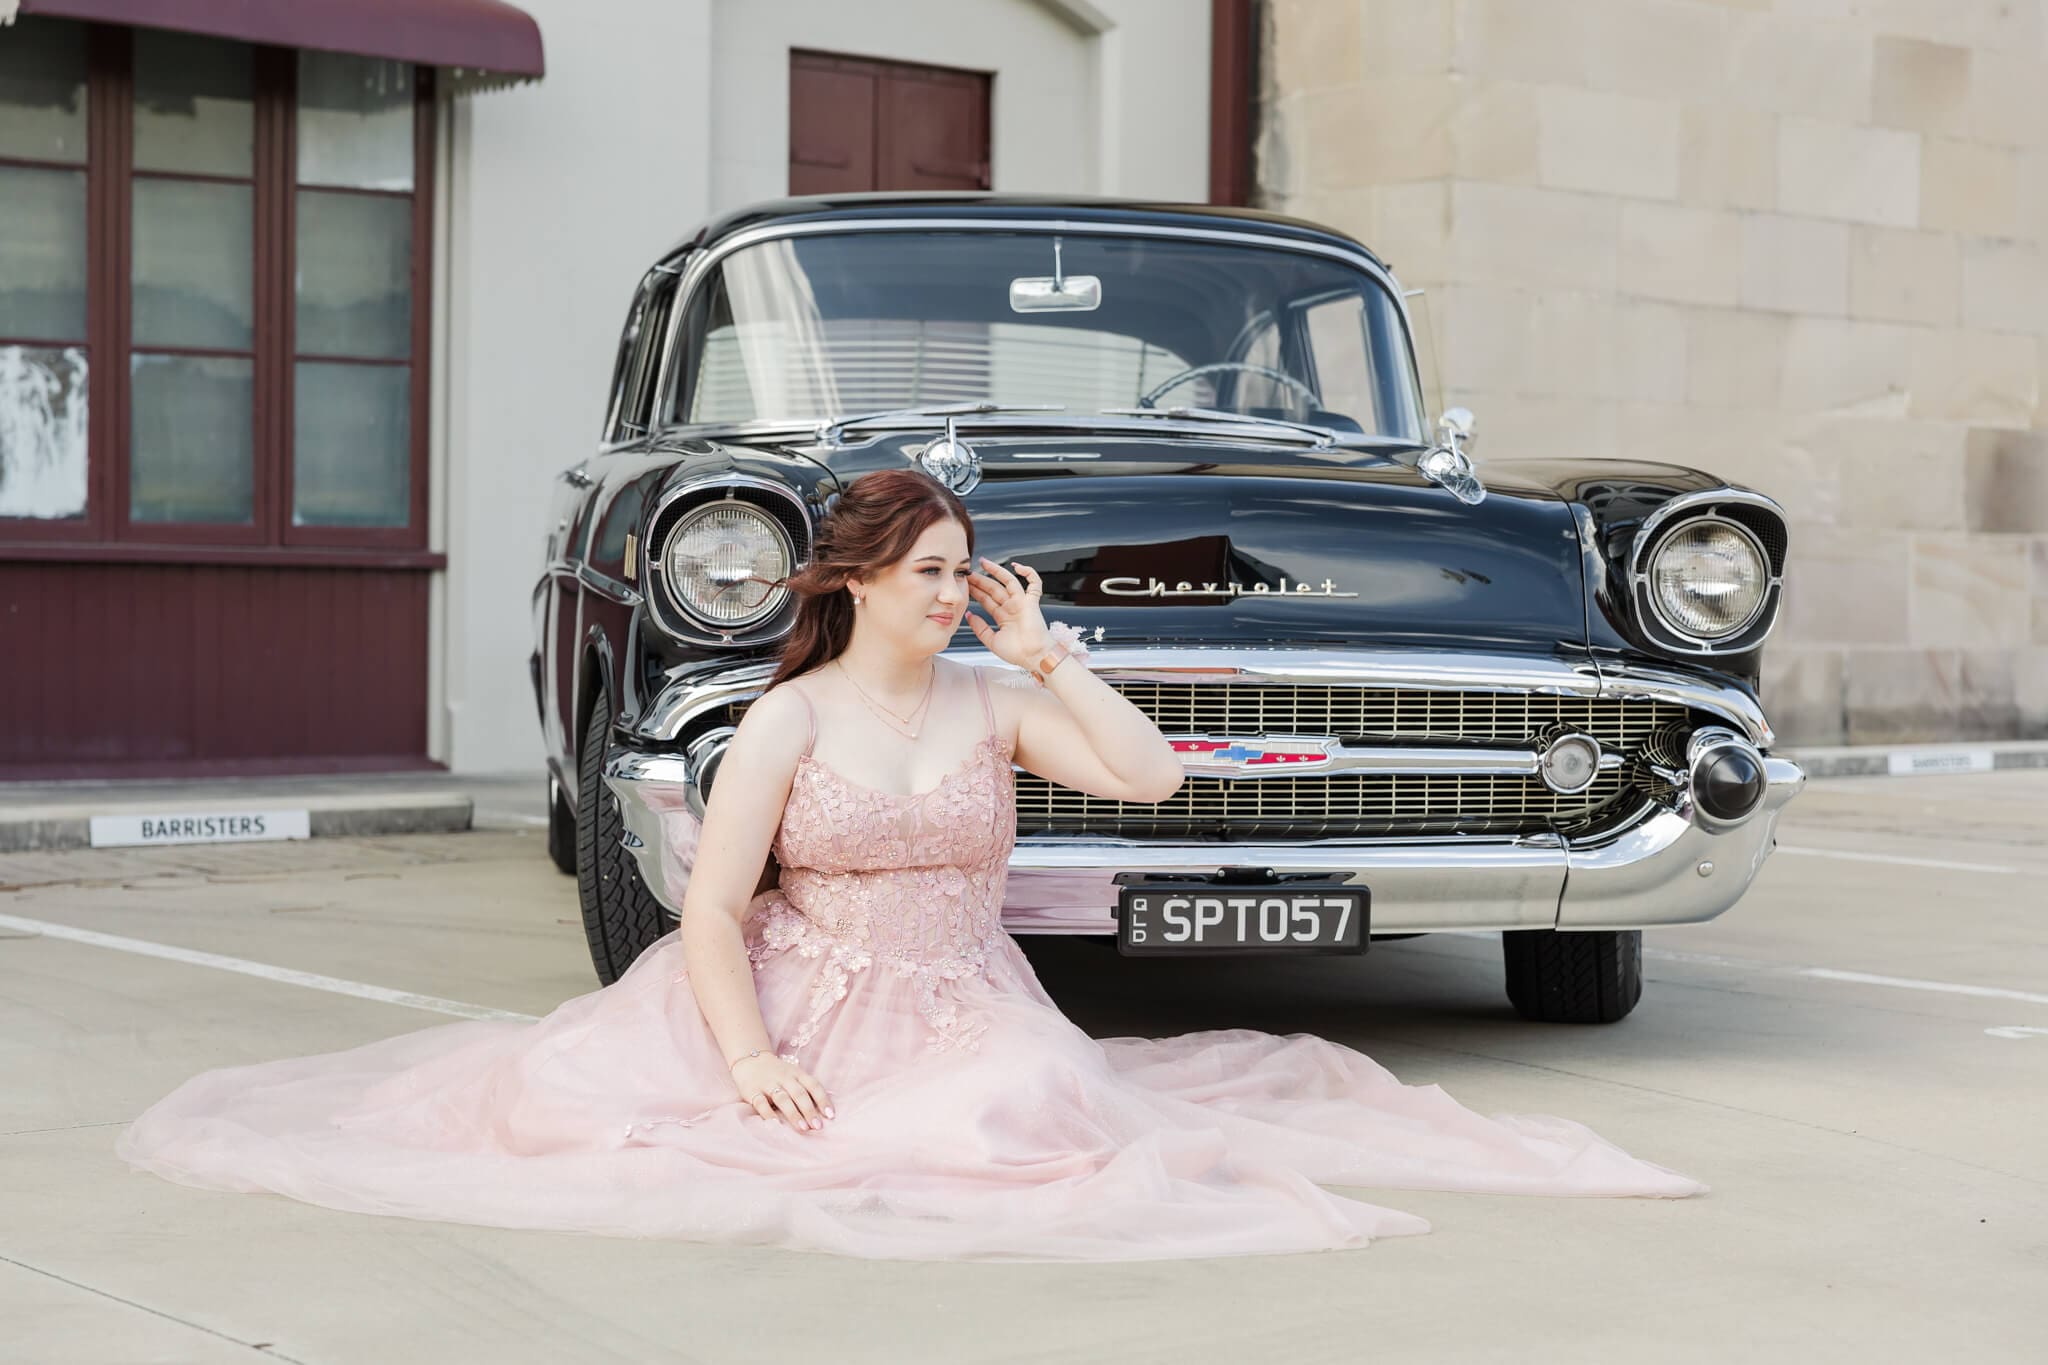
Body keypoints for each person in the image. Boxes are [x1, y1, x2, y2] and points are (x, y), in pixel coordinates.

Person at [116, 468, 1703, 1261]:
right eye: (935, 574)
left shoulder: (998, 695)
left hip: (971, 990)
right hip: (804, 993)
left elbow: (1150, 774)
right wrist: (744, 1056)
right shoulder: (784, 719)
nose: (955, 594)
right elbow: (716, 906)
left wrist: (1053, 653)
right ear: (862, 580)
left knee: (1031, 1118)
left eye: (964, 573)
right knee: (727, 1140)